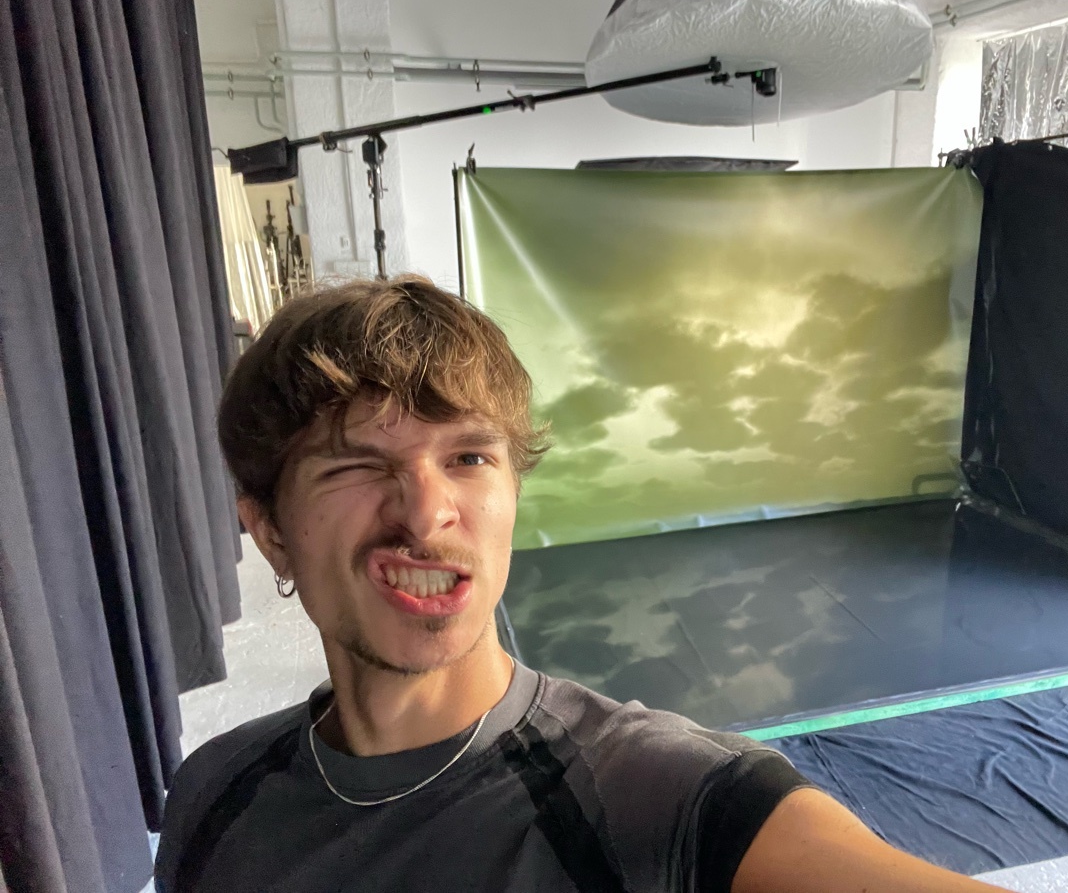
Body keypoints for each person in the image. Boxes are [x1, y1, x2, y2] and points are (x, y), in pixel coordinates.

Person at [155, 275, 1004, 893]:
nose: (425, 512)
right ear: (268, 528)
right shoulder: (212, 798)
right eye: (356, 464)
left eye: (469, 457)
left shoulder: (651, 798)